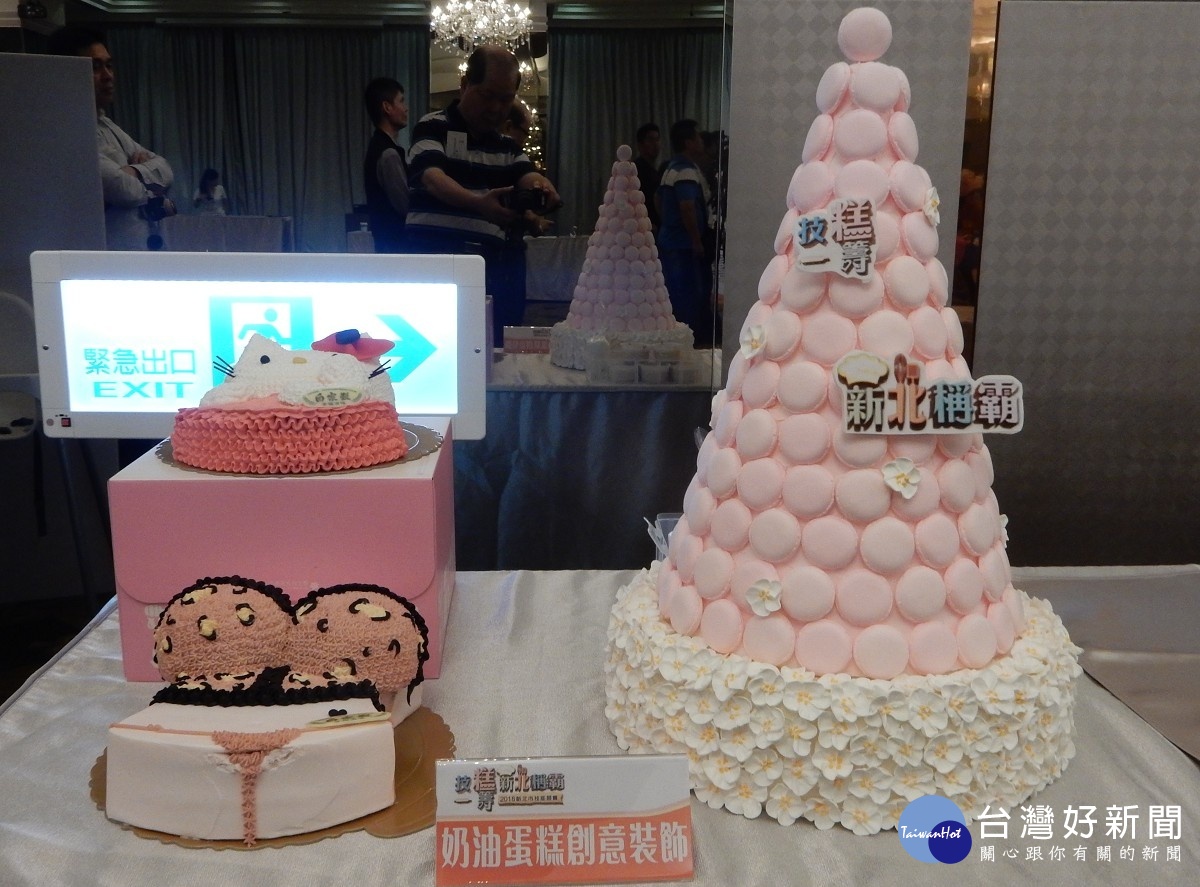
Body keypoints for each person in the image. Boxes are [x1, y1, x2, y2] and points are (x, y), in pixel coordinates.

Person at [403, 45, 560, 346]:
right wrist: (478, 203)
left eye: (506, 99)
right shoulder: (432, 126)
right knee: (431, 346)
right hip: (434, 265)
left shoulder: (506, 146)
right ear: (465, 85)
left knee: (487, 351)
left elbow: (527, 174)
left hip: (487, 271)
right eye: (488, 96)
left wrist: (542, 186)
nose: (496, 108)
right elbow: (432, 178)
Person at [46, 26, 175, 251]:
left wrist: (133, 171)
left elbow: (166, 170)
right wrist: (145, 174)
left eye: (109, 65)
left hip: (141, 256)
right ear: (66, 73)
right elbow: (124, 191)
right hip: (106, 259)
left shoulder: (106, 124)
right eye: (95, 67)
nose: (108, 76)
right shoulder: (65, 130)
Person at [656, 118, 711, 342]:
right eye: (698, 137)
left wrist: (668, 223)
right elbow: (687, 207)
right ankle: (691, 340)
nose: (701, 141)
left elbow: (658, 199)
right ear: (688, 142)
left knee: (677, 293)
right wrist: (696, 240)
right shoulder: (686, 170)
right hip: (683, 245)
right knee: (688, 295)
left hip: (671, 240)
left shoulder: (671, 167)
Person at [361, 77, 410, 253]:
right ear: (387, 107)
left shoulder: (377, 146)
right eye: (401, 101)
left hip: (386, 246)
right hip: (396, 247)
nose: (406, 108)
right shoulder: (388, 153)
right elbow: (405, 206)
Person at [633, 123, 662, 230]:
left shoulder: (655, 171)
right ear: (640, 145)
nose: (655, 144)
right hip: (643, 227)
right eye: (650, 140)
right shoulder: (635, 170)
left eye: (657, 139)